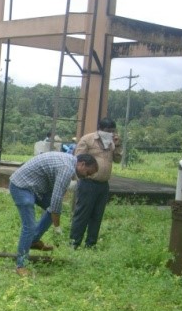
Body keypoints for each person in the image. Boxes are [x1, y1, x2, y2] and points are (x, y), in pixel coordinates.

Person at [9, 152, 98, 276]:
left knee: (54, 210)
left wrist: (55, 216)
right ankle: (21, 266)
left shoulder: (69, 162)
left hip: (35, 187)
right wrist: (57, 228)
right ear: (82, 164)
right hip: (21, 186)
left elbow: (56, 204)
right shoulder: (67, 168)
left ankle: (33, 241)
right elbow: (56, 200)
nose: (86, 176)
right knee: (29, 226)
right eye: (88, 173)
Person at [70, 117, 122, 249]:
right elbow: (78, 160)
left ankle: (91, 244)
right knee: (82, 214)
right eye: (107, 130)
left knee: (97, 215)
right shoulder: (88, 139)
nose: (110, 133)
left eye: (112, 130)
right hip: (88, 182)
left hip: (103, 184)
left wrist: (117, 145)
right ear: (100, 129)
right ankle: (74, 243)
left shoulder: (112, 142)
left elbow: (117, 160)